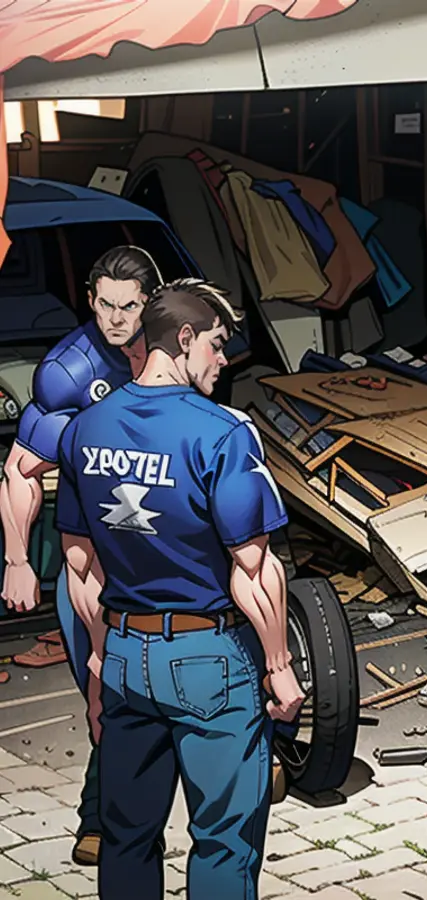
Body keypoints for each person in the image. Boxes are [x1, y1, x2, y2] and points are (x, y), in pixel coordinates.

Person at [55, 277, 304, 900]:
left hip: (122, 657)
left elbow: (80, 564)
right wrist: (278, 667)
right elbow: (253, 567)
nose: (224, 361)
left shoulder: (84, 430)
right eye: (217, 346)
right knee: (224, 838)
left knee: (126, 834)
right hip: (208, 660)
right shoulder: (222, 432)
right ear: (184, 339)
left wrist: (96, 659)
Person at [0, 244, 160, 866]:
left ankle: (259, 755)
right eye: (105, 305)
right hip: (93, 555)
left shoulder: (178, 343)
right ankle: (103, 817)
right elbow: (19, 468)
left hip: (173, 546)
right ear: (90, 300)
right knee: (104, 686)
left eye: (129, 306)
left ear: (149, 302)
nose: (116, 318)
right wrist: (17, 559)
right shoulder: (68, 371)